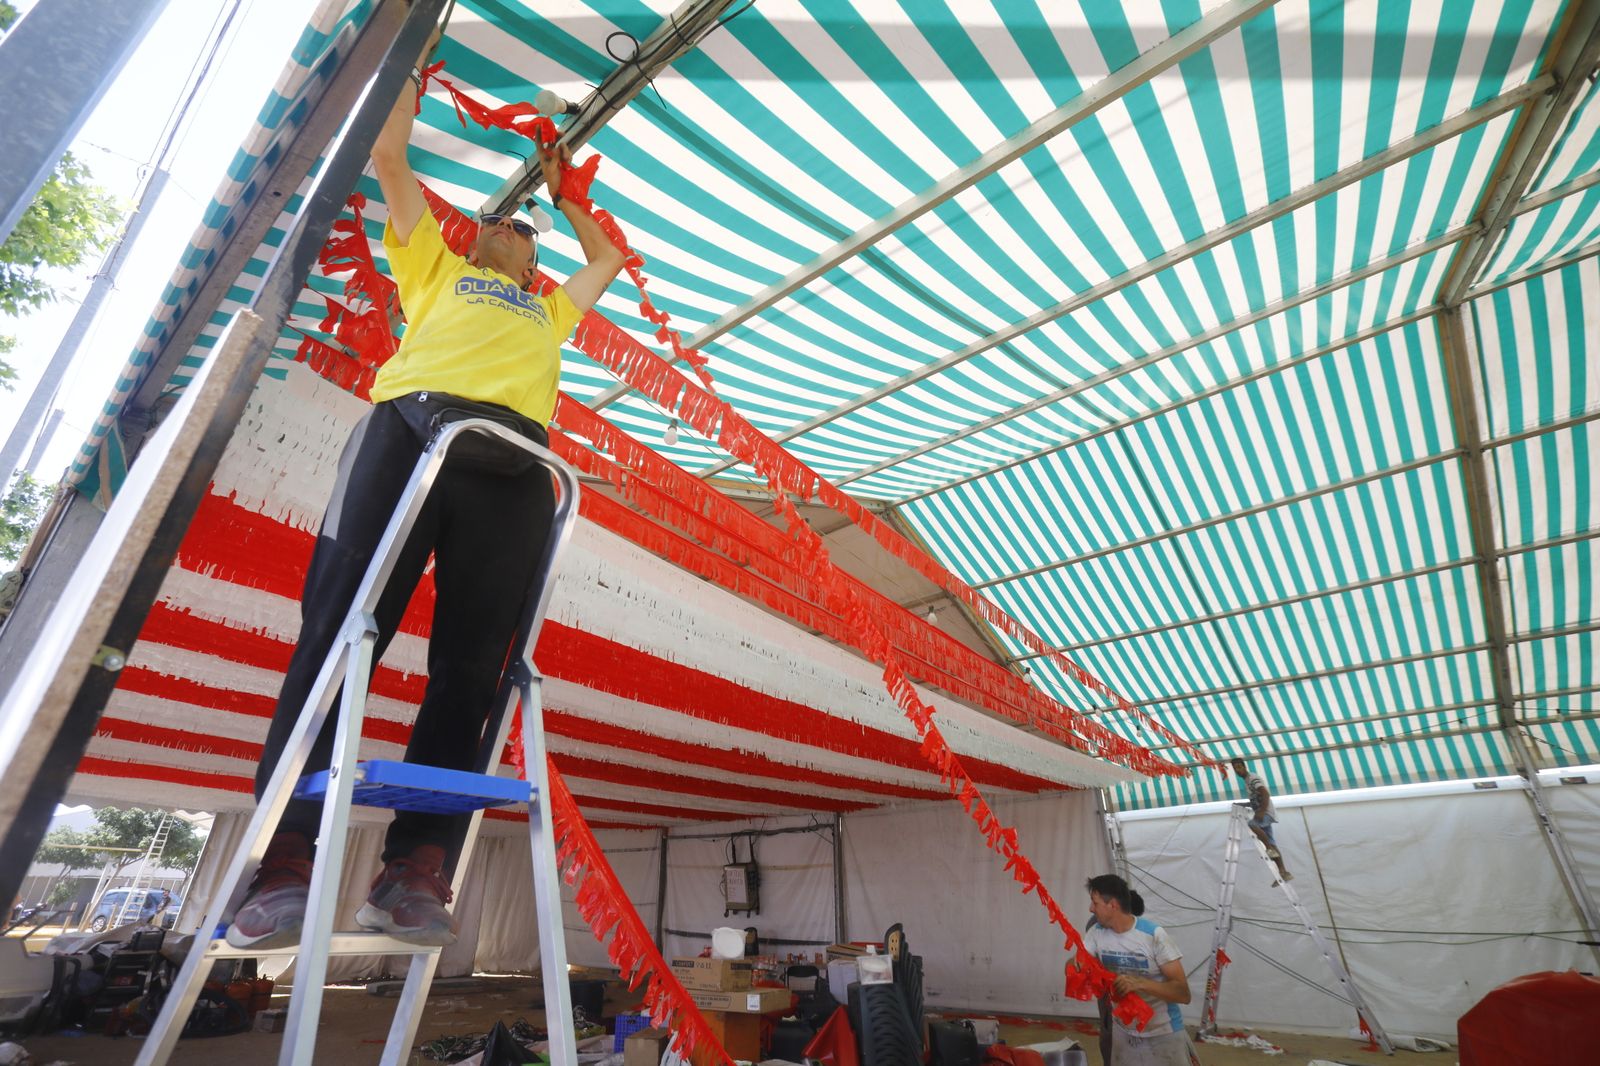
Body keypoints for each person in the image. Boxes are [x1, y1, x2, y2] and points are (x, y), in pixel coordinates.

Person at [226, 36, 625, 951]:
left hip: (516, 467)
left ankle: (416, 868)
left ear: (535, 270)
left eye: (527, 233)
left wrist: (571, 196)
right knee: (338, 633)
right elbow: (389, 156)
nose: (511, 225)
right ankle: (284, 861)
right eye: (503, 219)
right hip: (408, 433)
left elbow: (601, 261)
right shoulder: (434, 270)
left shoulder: (554, 309)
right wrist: (406, 69)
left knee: (473, 666)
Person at [1082, 874, 1192, 1066]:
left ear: (1113, 905)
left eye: (1095, 902)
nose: (1091, 908)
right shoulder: (1096, 932)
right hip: (1123, 1032)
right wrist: (1074, 965)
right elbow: (1081, 961)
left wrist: (1140, 983)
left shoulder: (1153, 935)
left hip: (1163, 1032)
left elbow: (1183, 993)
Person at [1087, 886, 1145, 1066]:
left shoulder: (1143, 931)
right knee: (1111, 1034)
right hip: (1109, 992)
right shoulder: (1097, 925)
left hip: (1131, 993)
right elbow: (1090, 960)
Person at [1231, 758, 1291, 881]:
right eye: (1235, 768)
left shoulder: (1253, 778)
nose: (1238, 770)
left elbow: (1265, 794)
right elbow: (1255, 800)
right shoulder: (1247, 782)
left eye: (1239, 767)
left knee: (1252, 824)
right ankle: (1283, 872)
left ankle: (1268, 849)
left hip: (1266, 813)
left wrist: (1262, 811)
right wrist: (1243, 805)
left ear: (1244, 766)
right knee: (1272, 843)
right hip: (1262, 812)